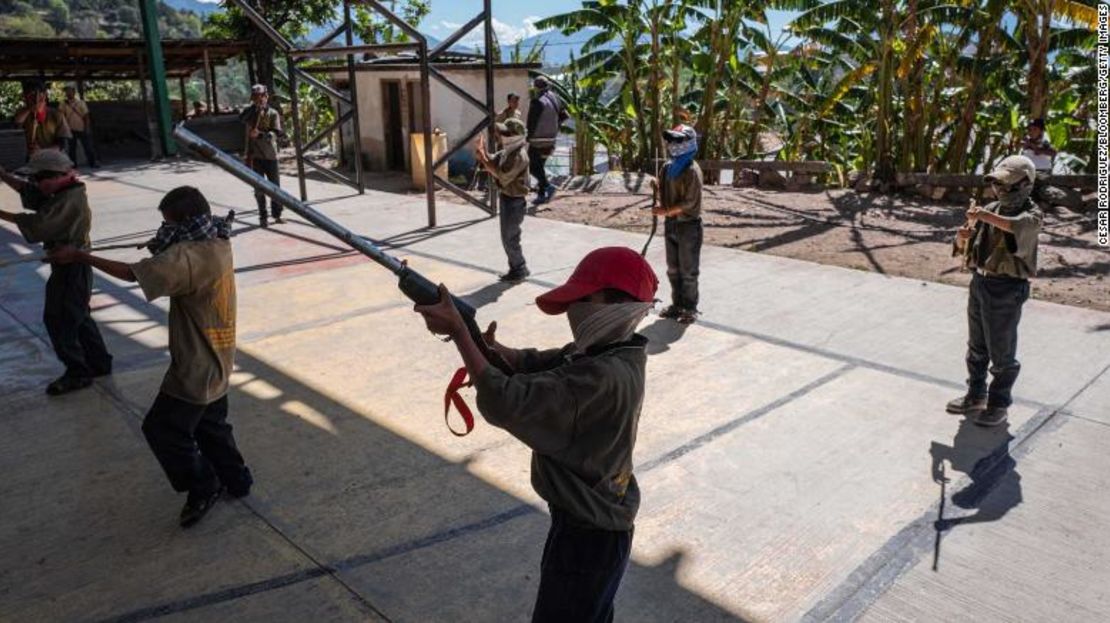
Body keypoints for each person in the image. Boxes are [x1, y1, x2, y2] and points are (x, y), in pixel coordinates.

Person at [413, 246, 658, 623]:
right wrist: (489, 347)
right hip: (595, 527)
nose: (574, 309)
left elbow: (507, 401)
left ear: (617, 305)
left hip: (586, 539)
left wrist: (461, 333)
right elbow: (542, 363)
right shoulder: (618, 352)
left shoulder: (603, 378)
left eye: (583, 298)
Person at [47, 186, 252, 528]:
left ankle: (204, 483)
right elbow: (174, 250)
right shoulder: (217, 238)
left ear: (184, 221)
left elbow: (136, 274)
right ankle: (237, 479)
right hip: (219, 354)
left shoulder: (188, 256)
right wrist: (164, 244)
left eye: (168, 223)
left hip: (196, 364)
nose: (165, 229)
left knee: (162, 429)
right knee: (210, 423)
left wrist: (81, 257)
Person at [0, 150, 112, 395]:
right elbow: (30, 192)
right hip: (68, 264)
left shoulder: (68, 200)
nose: (35, 185)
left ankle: (78, 372)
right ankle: (99, 362)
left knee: (59, 318)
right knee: (79, 315)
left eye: (39, 179)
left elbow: (37, 225)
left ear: (57, 176)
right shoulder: (62, 190)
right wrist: (4, 176)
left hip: (72, 265)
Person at [948, 155, 1042, 427]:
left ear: (1025, 184)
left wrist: (985, 216)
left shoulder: (1032, 214)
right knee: (977, 346)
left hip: (1006, 288)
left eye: (1008, 185)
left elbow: (1016, 227)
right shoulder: (990, 207)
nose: (1001, 191)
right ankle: (975, 394)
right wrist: (960, 237)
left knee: (1002, 352)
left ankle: (998, 404)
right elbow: (966, 246)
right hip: (980, 282)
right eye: (998, 185)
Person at [652, 124, 704, 325]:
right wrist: (657, 189)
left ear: (689, 143)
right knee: (673, 268)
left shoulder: (692, 169)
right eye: (672, 140)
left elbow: (689, 202)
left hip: (688, 226)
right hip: (671, 224)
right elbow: (665, 193)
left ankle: (690, 308)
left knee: (688, 271)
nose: (674, 145)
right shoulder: (667, 168)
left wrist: (665, 211)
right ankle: (677, 304)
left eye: (678, 140)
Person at [476, 118, 531, 283]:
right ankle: (516, 268)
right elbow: (494, 160)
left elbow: (502, 174)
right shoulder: (508, 151)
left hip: (514, 201)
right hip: (507, 198)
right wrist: (483, 152)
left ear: (513, 136)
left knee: (510, 237)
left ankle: (520, 268)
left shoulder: (519, 156)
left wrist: (484, 159)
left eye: (505, 133)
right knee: (506, 237)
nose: (500, 135)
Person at [239, 84, 285, 227]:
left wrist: (260, 135)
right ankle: (263, 216)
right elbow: (242, 119)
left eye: (262, 97)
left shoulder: (273, 113)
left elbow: (275, 134)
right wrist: (254, 112)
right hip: (255, 156)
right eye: (256, 97)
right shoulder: (249, 113)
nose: (260, 100)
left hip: (270, 155)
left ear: (266, 97)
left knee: (275, 187)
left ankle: (277, 214)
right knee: (259, 189)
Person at [526, 77, 567, 206]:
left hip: (537, 139)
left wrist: (528, 137)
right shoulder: (555, 98)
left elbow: (531, 122)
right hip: (551, 139)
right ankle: (541, 195)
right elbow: (565, 115)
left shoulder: (537, 101)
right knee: (540, 168)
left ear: (536, 87)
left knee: (532, 166)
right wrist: (554, 126)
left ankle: (549, 187)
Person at [13, 81, 71, 156]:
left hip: (53, 158)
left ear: (44, 96)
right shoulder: (23, 113)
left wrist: (42, 151)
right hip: (31, 159)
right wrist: (30, 109)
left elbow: (63, 145)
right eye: (30, 96)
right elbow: (16, 125)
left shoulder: (56, 114)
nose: (34, 99)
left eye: (38, 95)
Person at [61, 86, 99, 169]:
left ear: (74, 92)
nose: (68, 93)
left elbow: (86, 116)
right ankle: (73, 165)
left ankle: (93, 162)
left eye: (69, 91)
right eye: (67, 91)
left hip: (82, 128)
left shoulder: (81, 103)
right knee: (72, 148)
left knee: (88, 146)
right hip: (70, 129)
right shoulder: (63, 104)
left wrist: (87, 127)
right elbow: (61, 116)